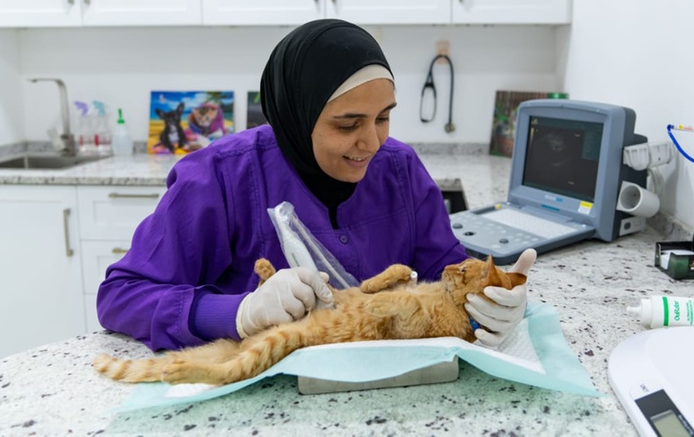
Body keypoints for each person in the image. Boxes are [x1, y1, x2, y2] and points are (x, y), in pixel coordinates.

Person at [97, 19, 534, 352]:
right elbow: (123, 295)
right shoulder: (219, 177)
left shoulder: (399, 168)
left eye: (383, 117)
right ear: (297, 116)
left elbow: (446, 271)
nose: (372, 142)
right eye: (348, 124)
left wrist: (490, 302)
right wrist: (240, 313)